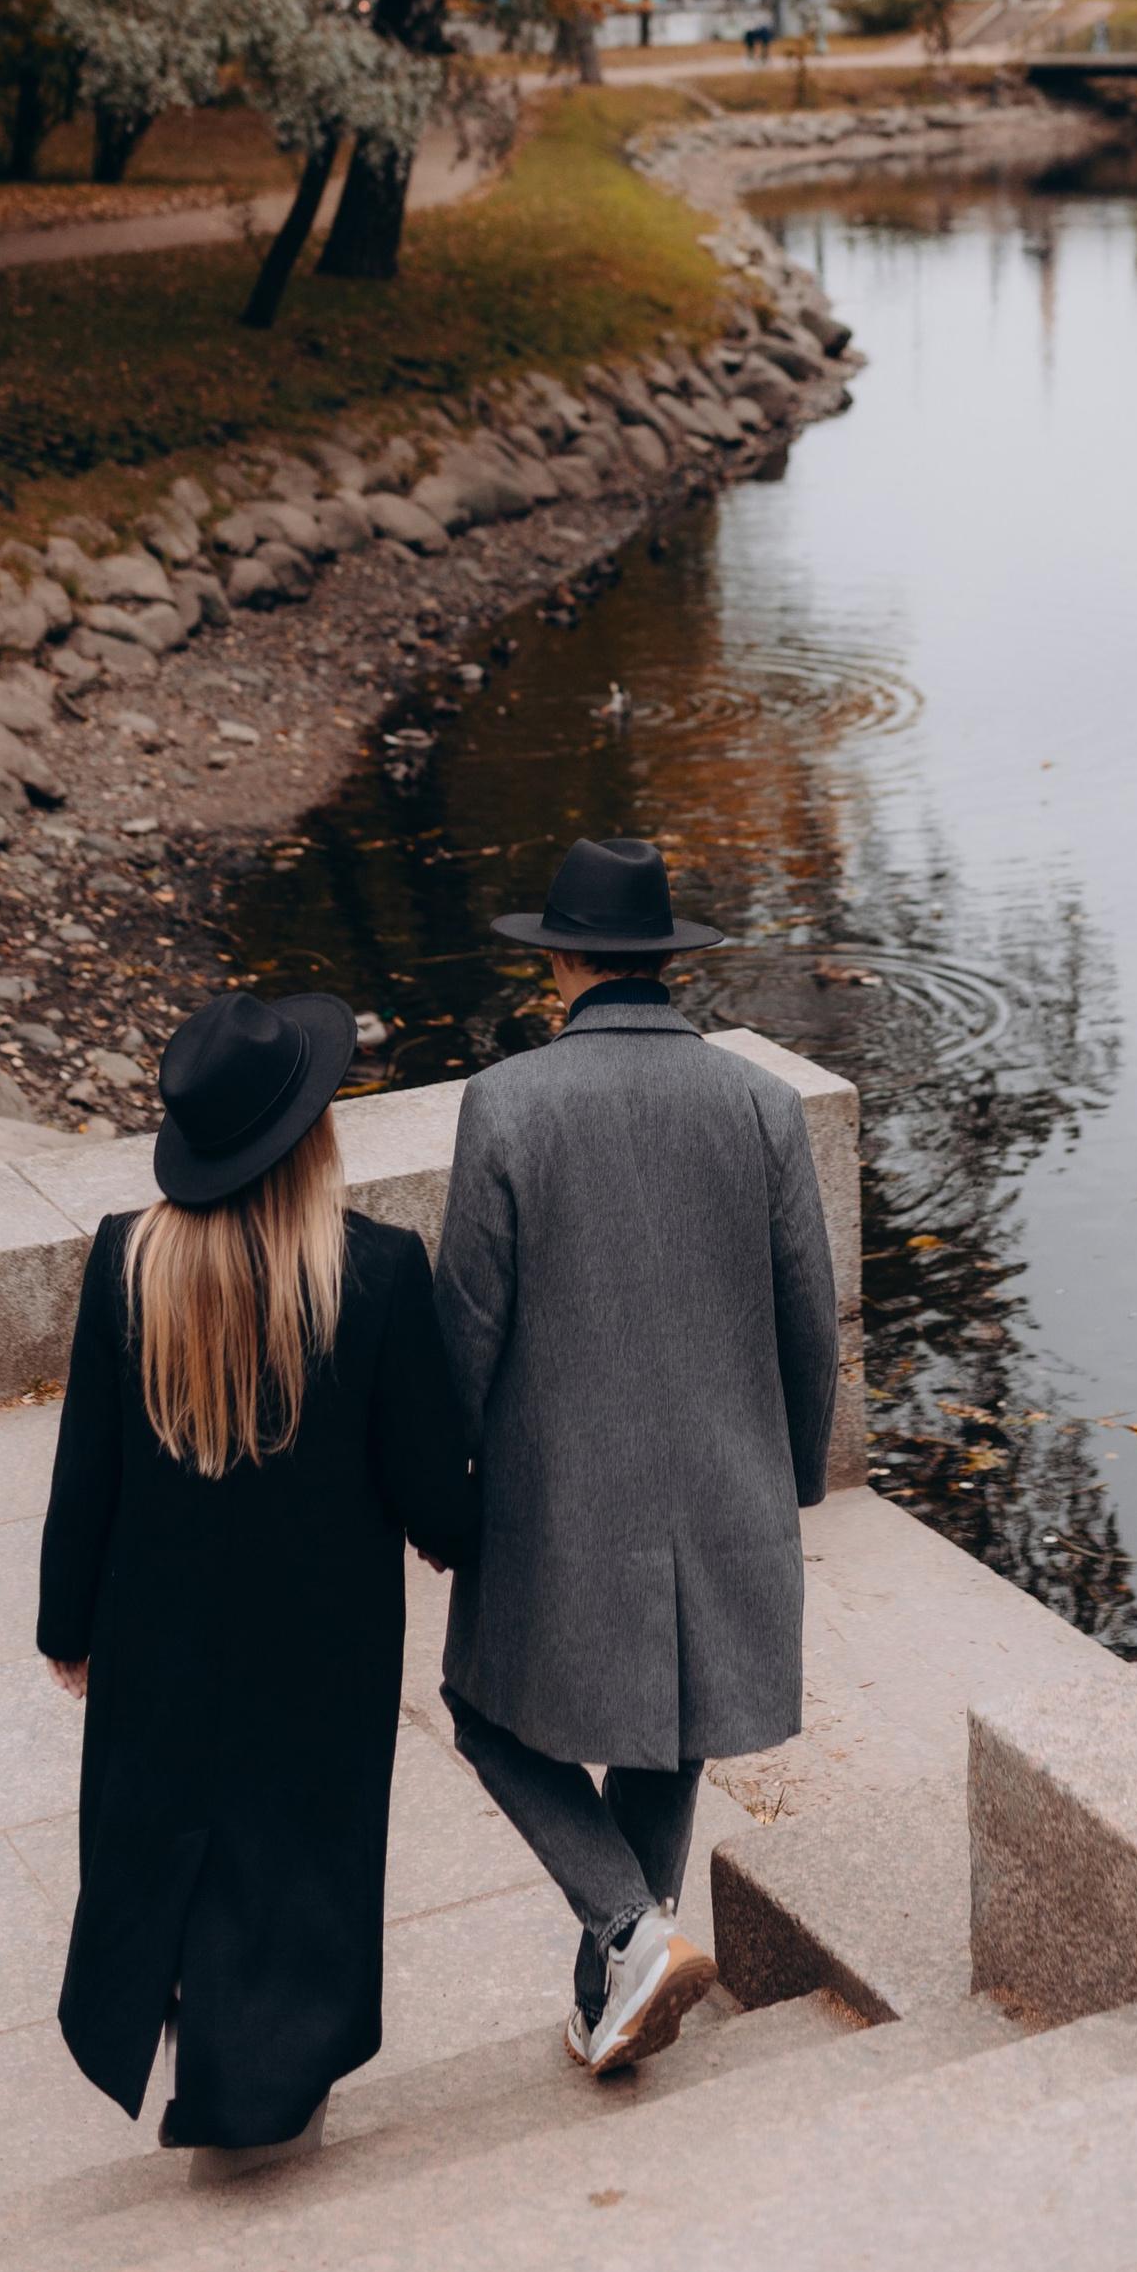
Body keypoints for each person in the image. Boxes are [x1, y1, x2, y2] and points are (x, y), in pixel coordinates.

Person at [37, 988, 477, 2178]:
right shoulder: (375, 1274)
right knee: (299, 1849)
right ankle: (264, 2081)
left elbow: (91, 1466)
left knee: (172, 1829)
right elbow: (433, 1481)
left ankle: (198, 2050)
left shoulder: (127, 1261)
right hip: (321, 1643)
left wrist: (66, 1621)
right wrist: (464, 1540)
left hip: (158, 1626)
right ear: (310, 1139)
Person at [434, 834, 839, 2077]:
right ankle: (620, 1977)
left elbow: (468, 1329)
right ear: (663, 967)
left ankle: (623, 1930)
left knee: (483, 1714)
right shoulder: (761, 1106)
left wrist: (446, 1491)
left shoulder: (508, 1104)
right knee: (671, 1732)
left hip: (560, 1501)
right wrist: (795, 1482)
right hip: (725, 1491)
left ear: (559, 960)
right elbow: (809, 1318)